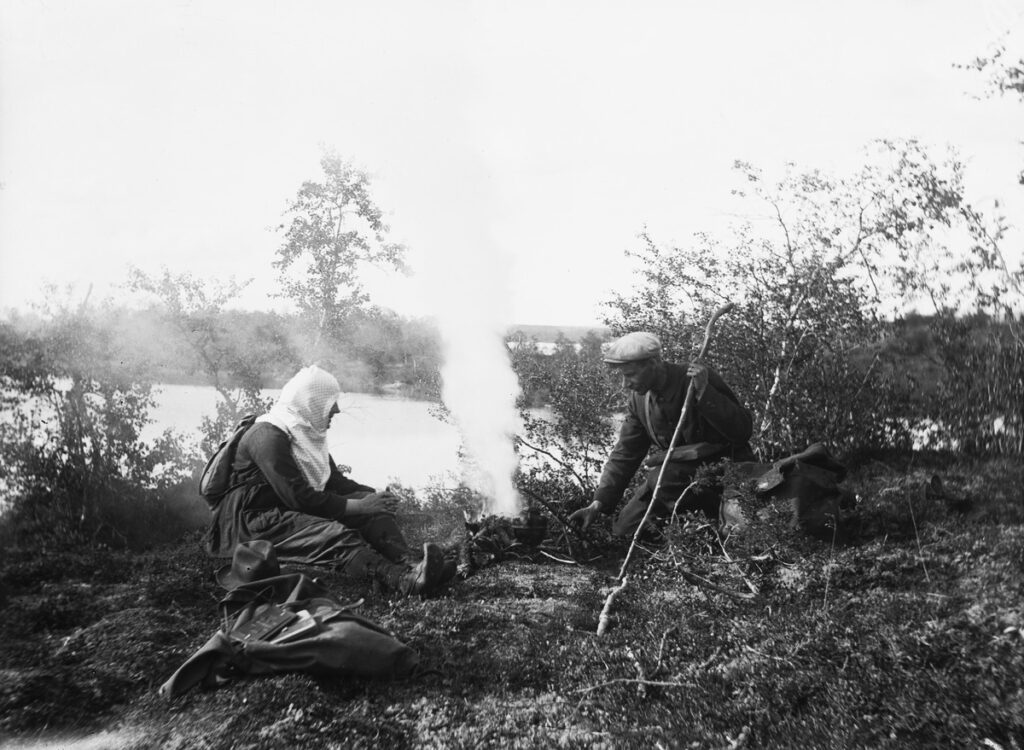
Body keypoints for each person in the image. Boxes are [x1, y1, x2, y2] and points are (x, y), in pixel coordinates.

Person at [205, 365, 449, 597]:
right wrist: (360, 506)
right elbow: (298, 497)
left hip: (284, 509)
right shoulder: (267, 435)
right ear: (310, 401)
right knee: (332, 534)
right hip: (253, 520)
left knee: (369, 506)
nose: (336, 410)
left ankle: (412, 564)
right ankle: (402, 580)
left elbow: (336, 483)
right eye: (330, 403)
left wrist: (374, 497)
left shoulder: (305, 432)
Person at [568, 331, 754, 539]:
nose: (625, 384)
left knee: (661, 478)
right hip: (674, 481)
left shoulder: (695, 379)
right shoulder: (639, 401)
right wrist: (598, 503)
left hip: (724, 473)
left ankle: (713, 525)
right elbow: (625, 453)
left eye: (630, 375)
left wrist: (704, 393)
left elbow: (742, 431)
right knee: (626, 530)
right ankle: (682, 528)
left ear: (654, 363)